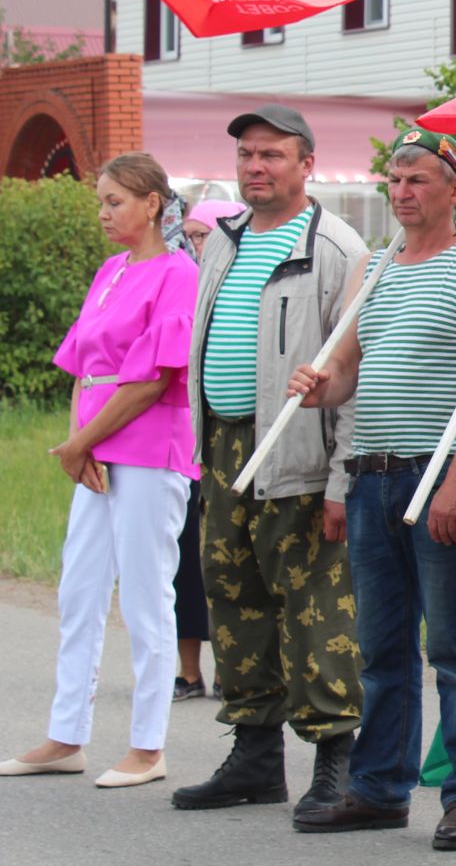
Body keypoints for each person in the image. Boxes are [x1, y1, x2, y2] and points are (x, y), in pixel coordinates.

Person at [283, 129, 456, 849]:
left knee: (454, 646)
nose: (403, 192)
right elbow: (348, 369)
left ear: (455, 188)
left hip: (436, 476)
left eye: (418, 179)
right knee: (381, 648)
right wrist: (320, 389)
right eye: (395, 179)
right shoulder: (373, 270)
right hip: (372, 478)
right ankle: (380, 788)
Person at [173, 105, 368, 819]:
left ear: (307, 164)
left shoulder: (337, 249)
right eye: (248, 156)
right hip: (223, 446)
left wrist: (342, 478)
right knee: (233, 590)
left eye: (273, 156)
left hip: (297, 450)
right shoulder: (220, 243)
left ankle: (334, 760)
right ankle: (254, 754)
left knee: (314, 605)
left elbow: (352, 373)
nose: (257, 168)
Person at [2, 154, 198, 788]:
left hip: (147, 447)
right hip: (95, 448)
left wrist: (82, 441)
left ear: (152, 204)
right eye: (100, 201)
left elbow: (152, 379)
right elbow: (83, 367)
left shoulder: (178, 274)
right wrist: (75, 444)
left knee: (146, 595)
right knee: (79, 591)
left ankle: (148, 745)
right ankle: (66, 735)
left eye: (115, 201)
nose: (104, 213)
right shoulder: (110, 272)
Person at [174, 198, 239, 703]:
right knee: (189, 567)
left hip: (234, 449)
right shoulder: (183, 281)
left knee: (235, 569)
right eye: (191, 235)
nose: (198, 244)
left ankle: (235, 670)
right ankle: (189, 669)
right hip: (186, 447)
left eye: (205, 234)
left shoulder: (235, 280)